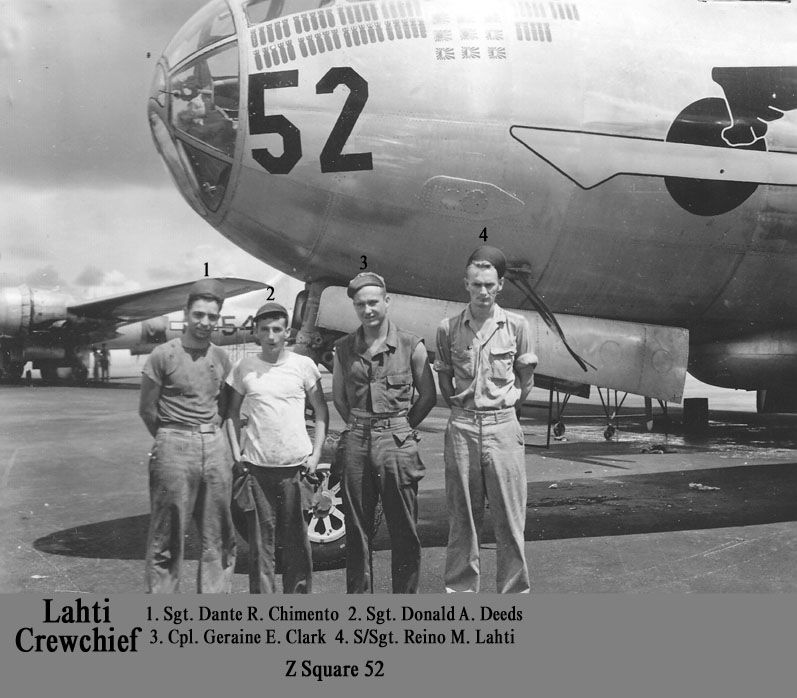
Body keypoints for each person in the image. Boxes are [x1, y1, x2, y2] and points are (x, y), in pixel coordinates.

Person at [435, 246, 537, 593]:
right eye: (476, 284)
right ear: (466, 284)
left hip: (503, 428)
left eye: (489, 285)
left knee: (510, 521)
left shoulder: (518, 326)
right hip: (462, 427)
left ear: (501, 286)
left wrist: (501, 412)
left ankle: (515, 599)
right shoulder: (447, 328)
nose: (483, 292)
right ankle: (461, 597)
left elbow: (526, 381)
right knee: (462, 522)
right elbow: (445, 379)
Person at [332, 272, 437, 593]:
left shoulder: (411, 345)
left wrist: (401, 428)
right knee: (357, 531)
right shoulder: (344, 349)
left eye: (373, 302)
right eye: (360, 304)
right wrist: (362, 426)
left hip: (397, 442)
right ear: (355, 307)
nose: (368, 310)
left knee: (404, 528)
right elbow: (339, 398)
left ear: (387, 302)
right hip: (358, 442)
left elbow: (428, 396)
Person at [138, 278, 236, 593]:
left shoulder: (221, 358)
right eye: (198, 314)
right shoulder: (162, 355)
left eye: (211, 316)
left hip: (214, 447)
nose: (204, 322)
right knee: (166, 538)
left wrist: (208, 436)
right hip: (173, 447)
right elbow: (147, 410)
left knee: (217, 537)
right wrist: (173, 437)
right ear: (186, 312)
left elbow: (224, 408)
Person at [225, 302, 328, 594]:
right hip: (258, 472)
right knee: (261, 549)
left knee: (298, 547)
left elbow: (321, 412)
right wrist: (237, 454)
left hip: (295, 470)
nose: (271, 336)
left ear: (287, 332)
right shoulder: (243, 367)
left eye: (277, 329)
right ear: (256, 333)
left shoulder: (303, 366)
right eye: (265, 330)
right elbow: (231, 413)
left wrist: (316, 455)